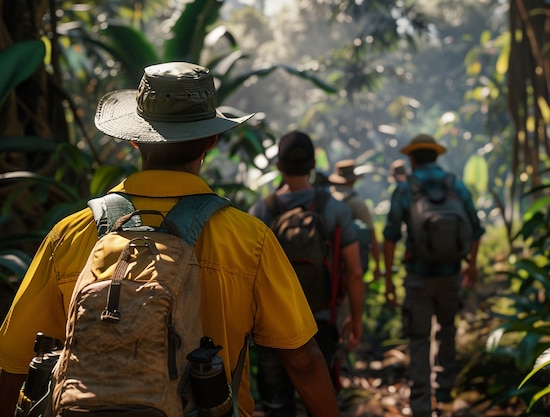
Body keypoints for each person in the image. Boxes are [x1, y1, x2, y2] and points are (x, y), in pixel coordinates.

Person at [0, 62, 342, 417]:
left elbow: (14, 359)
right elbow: (301, 359)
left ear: (134, 138)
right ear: (211, 140)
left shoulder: (71, 235)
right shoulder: (248, 240)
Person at [248, 131, 364, 417]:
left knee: (277, 405)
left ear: (279, 166)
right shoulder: (334, 209)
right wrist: (356, 319)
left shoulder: (262, 210)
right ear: (313, 164)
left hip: (272, 324)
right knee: (321, 405)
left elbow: (248, 273)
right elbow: (355, 272)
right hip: (321, 320)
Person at [383, 134, 484, 417]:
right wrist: (471, 265)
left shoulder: (405, 190)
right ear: (436, 156)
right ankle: (444, 391)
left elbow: (390, 236)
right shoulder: (455, 186)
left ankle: (421, 406)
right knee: (447, 329)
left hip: (418, 278)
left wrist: (389, 279)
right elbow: (476, 228)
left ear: (412, 159)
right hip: (451, 274)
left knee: (419, 338)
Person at [328, 159, 381, 282]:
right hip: (349, 267)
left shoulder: (326, 200)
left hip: (326, 266)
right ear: (353, 180)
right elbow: (372, 236)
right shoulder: (356, 203)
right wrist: (377, 265)